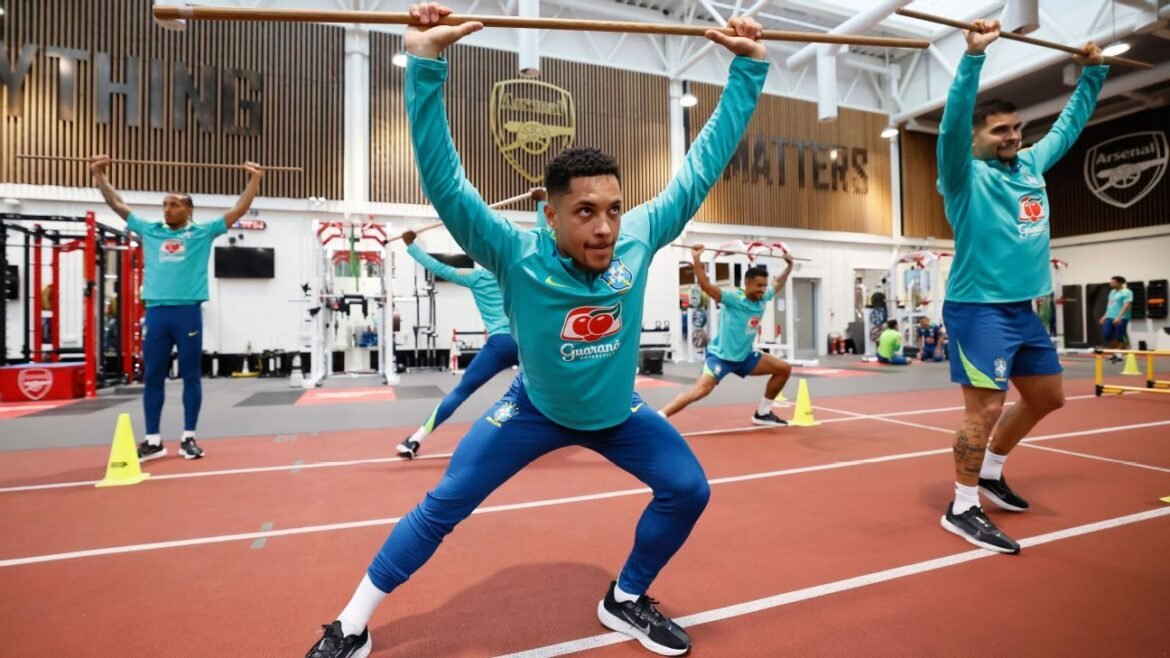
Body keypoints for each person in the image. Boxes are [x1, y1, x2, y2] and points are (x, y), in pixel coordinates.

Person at [305, 4, 768, 657]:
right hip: (534, 410)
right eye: (585, 212)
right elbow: (447, 185)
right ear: (550, 215)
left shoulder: (638, 238)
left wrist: (747, 72)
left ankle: (625, 598)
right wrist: (426, 63)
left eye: (613, 209)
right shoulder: (513, 253)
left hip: (617, 414)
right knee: (444, 504)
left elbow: (701, 165)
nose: (604, 228)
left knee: (688, 489)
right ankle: (351, 624)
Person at [935, 19, 1106, 554]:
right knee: (984, 409)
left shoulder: (1030, 164)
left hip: (1021, 310)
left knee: (1048, 397)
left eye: (1015, 127)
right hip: (977, 309)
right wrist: (974, 58)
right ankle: (962, 506)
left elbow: (1068, 127)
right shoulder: (962, 176)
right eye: (999, 131)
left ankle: (990, 471)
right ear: (975, 139)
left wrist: (1093, 73)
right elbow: (951, 125)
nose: (1012, 136)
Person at [91, 155, 265, 461]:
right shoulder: (151, 229)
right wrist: (99, 175)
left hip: (187, 313)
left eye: (174, 205)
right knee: (153, 376)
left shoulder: (202, 232)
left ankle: (188, 438)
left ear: (189, 210)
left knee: (191, 376)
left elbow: (238, 210)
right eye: (165, 204)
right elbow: (117, 204)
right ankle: (153, 440)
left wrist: (254, 179)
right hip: (157, 313)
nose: (167, 209)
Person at [394, 187, 546, 459]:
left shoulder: (475, 277)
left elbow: (439, 268)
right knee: (544, 390)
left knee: (461, 391)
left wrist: (411, 246)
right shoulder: (519, 268)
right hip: (527, 343)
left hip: (499, 344)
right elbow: (540, 238)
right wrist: (541, 203)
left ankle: (415, 440)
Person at [658, 244, 793, 425]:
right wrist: (697, 259)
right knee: (700, 391)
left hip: (744, 357)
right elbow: (706, 286)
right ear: (747, 283)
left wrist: (789, 266)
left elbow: (778, 283)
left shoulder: (763, 298)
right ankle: (658, 417)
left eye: (764, 286)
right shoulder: (733, 299)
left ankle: (762, 413)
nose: (763, 289)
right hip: (720, 358)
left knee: (784, 369)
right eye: (759, 286)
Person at [1100, 275, 1133, 361]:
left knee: (1120, 336)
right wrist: (1105, 316)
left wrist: (1119, 317)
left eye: (1113, 282)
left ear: (1120, 283)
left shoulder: (1127, 292)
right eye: (1111, 282)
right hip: (1109, 317)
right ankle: (1115, 353)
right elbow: (1110, 304)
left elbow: (1127, 305)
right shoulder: (1112, 292)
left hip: (1122, 317)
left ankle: (1120, 354)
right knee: (1107, 335)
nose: (1111, 284)